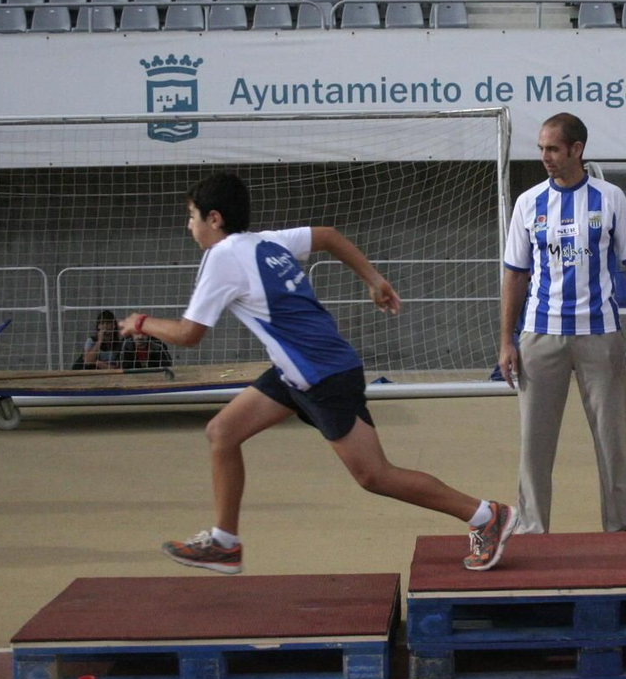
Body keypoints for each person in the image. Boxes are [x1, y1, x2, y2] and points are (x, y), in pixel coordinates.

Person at [120, 172, 517, 575]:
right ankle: (225, 543)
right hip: (296, 372)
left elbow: (189, 334)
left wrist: (141, 322)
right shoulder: (268, 241)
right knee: (222, 432)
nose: (189, 226)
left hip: (322, 374)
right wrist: (374, 279)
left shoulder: (222, 257)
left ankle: (486, 515)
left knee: (375, 475)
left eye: (192, 216)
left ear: (215, 219)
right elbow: (327, 235)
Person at [498, 112, 626, 534]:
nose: (545, 157)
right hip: (539, 336)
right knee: (534, 444)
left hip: (600, 336)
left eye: (552, 148)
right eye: (541, 149)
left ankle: (621, 526)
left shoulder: (610, 198)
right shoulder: (529, 203)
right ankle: (532, 529)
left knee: (611, 440)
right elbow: (515, 274)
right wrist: (506, 341)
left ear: (576, 150)